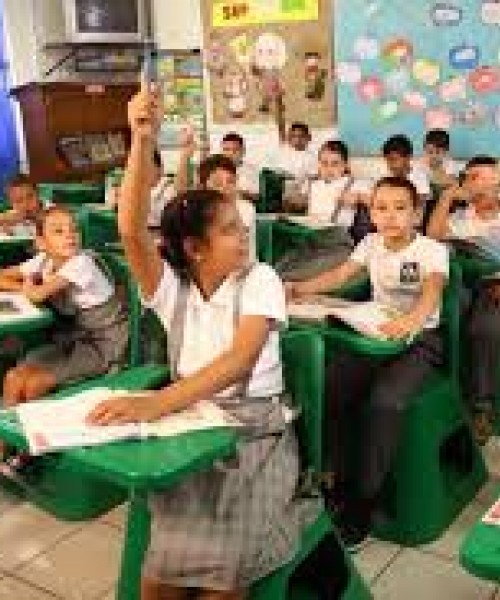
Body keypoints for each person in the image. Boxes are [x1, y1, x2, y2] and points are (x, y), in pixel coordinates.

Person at [87, 82, 313, 600]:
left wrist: (157, 402)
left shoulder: (260, 280)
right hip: (195, 432)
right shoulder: (173, 291)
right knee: (159, 575)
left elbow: (239, 361)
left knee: (226, 577)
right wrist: (141, 140)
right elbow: (130, 232)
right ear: (194, 249)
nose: (245, 235)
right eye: (231, 230)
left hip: (256, 439)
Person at [286, 176, 448, 548]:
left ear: (417, 213)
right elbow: (341, 275)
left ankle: (363, 500)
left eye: (400, 208)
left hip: (419, 341)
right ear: (370, 213)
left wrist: (412, 320)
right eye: (381, 208)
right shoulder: (370, 243)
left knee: (385, 402)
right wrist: (300, 289)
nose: (390, 217)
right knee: (331, 385)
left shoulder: (431, 250)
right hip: (373, 333)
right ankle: (332, 477)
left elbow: (432, 290)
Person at [427, 155, 500, 442]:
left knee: (483, 330)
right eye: (470, 178)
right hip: (464, 284)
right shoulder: (462, 217)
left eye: (482, 177)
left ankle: (481, 406)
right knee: (444, 319)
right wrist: (447, 197)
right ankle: (451, 390)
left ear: (497, 181)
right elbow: (433, 237)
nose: (476, 184)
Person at [0, 206, 128, 407]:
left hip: (103, 347)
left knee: (34, 383)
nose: (69, 235)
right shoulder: (44, 261)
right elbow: (2, 276)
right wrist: (25, 285)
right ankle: (6, 438)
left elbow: (37, 293)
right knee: (13, 377)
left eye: (74, 229)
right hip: (72, 340)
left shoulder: (81, 262)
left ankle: (35, 434)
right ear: (41, 243)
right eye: (59, 231)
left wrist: (30, 285)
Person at [275, 139, 370, 280]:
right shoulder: (313, 183)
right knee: (282, 264)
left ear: (345, 165)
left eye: (335, 164)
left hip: (338, 242)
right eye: (324, 163)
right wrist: (293, 199)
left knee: (305, 270)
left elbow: (379, 201)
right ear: (318, 164)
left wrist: (359, 197)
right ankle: (275, 277)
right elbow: (297, 202)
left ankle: (282, 282)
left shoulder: (355, 183)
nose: (329, 169)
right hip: (310, 237)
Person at [175, 136, 257, 263]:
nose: (225, 187)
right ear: (203, 187)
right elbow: (180, 193)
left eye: (231, 182)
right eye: (217, 183)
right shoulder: (200, 208)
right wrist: (185, 155)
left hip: (240, 273)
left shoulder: (245, 208)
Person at [274, 94, 316, 179]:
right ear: (288, 137)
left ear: (309, 138)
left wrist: (292, 178)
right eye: (293, 136)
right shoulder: (285, 146)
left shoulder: (311, 158)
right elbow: (280, 125)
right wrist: (278, 101)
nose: (297, 139)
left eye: (301, 136)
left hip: (295, 187)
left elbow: (312, 179)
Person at [220, 131, 261, 201]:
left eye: (235, 150)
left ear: (243, 151)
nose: (231, 153)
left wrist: (237, 193)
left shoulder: (252, 171)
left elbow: (257, 196)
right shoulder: (215, 170)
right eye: (226, 149)